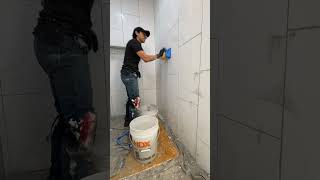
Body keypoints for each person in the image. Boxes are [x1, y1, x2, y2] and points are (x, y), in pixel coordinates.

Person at [33, 0, 98, 179]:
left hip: (48, 38)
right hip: (65, 40)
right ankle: (79, 174)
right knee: (85, 119)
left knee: (69, 118)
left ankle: (58, 174)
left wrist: (84, 28)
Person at [121, 27, 166, 127]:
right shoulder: (134, 42)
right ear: (137, 33)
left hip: (127, 73)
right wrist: (158, 55)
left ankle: (128, 120)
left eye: (146, 35)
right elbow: (145, 58)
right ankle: (134, 125)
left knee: (131, 99)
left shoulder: (134, 44)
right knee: (135, 100)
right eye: (143, 34)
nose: (145, 36)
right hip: (129, 74)